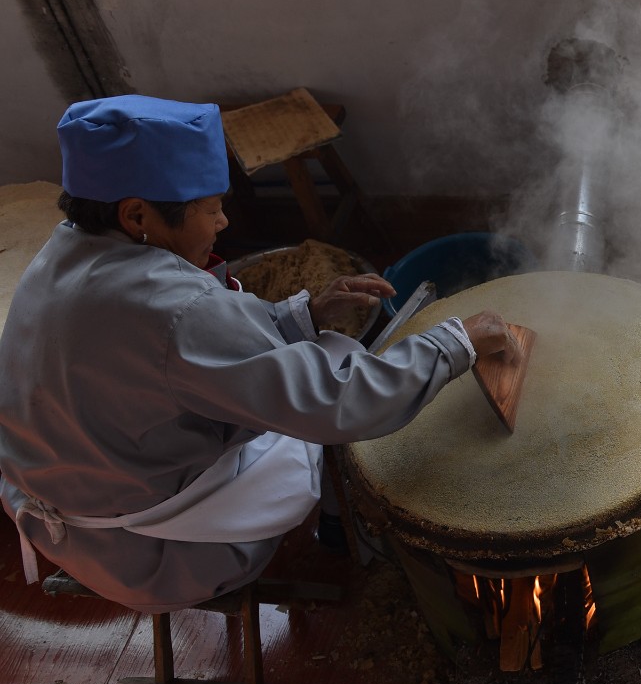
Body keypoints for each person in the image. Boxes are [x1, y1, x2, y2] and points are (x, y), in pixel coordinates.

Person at [0, 95, 513, 613]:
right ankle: (340, 531)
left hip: (59, 513)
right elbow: (336, 400)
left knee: (305, 357)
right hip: (152, 553)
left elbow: (189, 353)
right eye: (210, 208)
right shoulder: (175, 307)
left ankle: (336, 521)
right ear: (137, 215)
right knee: (326, 391)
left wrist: (303, 315)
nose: (223, 222)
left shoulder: (63, 251)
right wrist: (457, 340)